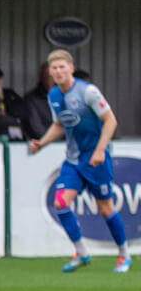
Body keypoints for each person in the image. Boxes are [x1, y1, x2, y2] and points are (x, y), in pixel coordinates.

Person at [29, 49, 131, 273]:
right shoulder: (53, 95)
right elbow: (59, 125)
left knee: (106, 209)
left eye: (62, 67)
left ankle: (124, 254)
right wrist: (42, 143)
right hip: (73, 160)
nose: (58, 71)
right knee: (60, 203)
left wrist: (100, 150)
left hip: (96, 160)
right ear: (50, 72)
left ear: (71, 69)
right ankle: (81, 252)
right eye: (54, 68)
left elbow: (110, 120)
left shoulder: (88, 92)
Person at [20, 61, 56, 140]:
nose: (49, 78)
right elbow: (36, 129)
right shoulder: (31, 99)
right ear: (41, 77)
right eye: (46, 75)